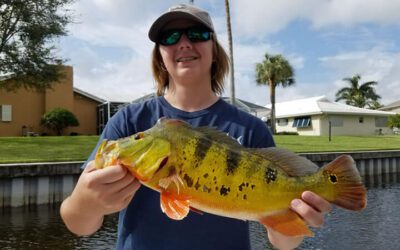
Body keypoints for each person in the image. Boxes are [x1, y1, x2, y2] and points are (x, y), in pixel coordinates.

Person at [60, 4, 331, 250]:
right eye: (169, 37)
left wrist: (297, 217)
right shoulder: (128, 121)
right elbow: (79, 225)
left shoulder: (250, 128)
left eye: (197, 34)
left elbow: (283, 242)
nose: (184, 43)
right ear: (160, 58)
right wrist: (86, 202)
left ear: (215, 51)